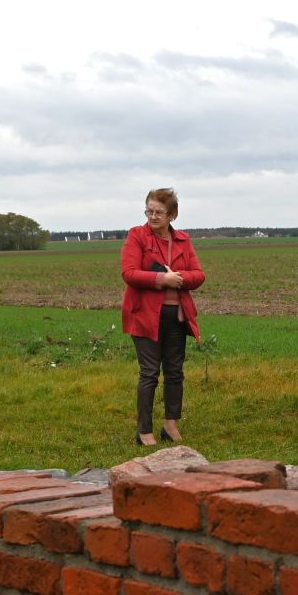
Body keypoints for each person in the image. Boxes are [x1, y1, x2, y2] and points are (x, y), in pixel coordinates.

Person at [119, 188, 205, 446]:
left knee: (175, 372)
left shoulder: (183, 240)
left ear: (172, 215)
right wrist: (161, 278)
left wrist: (179, 278)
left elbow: (199, 275)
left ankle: (171, 425)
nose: (153, 217)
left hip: (177, 316)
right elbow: (129, 273)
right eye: (149, 211)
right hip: (144, 315)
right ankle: (144, 431)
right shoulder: (137, 236)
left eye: (159, 212)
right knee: (149, 373)